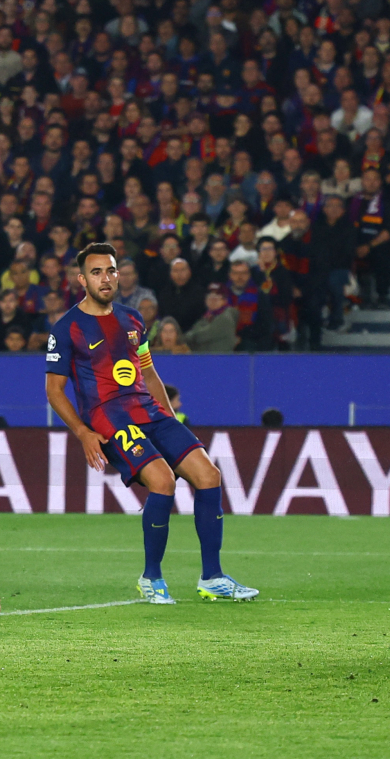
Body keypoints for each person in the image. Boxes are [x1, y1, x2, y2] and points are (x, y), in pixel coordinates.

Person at [45, 242, 257, 604]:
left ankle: (213, 578)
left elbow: (148, 372)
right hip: (109, 418)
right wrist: (83, 433)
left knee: (209, 475)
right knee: (162, 481)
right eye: (96, 272)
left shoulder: (132, 319)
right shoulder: (66, 329)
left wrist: (173, 425)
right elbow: (54, 390)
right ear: (82, 279)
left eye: (110, 270)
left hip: (150, 411)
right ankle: (151, 577)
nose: (106, 278)